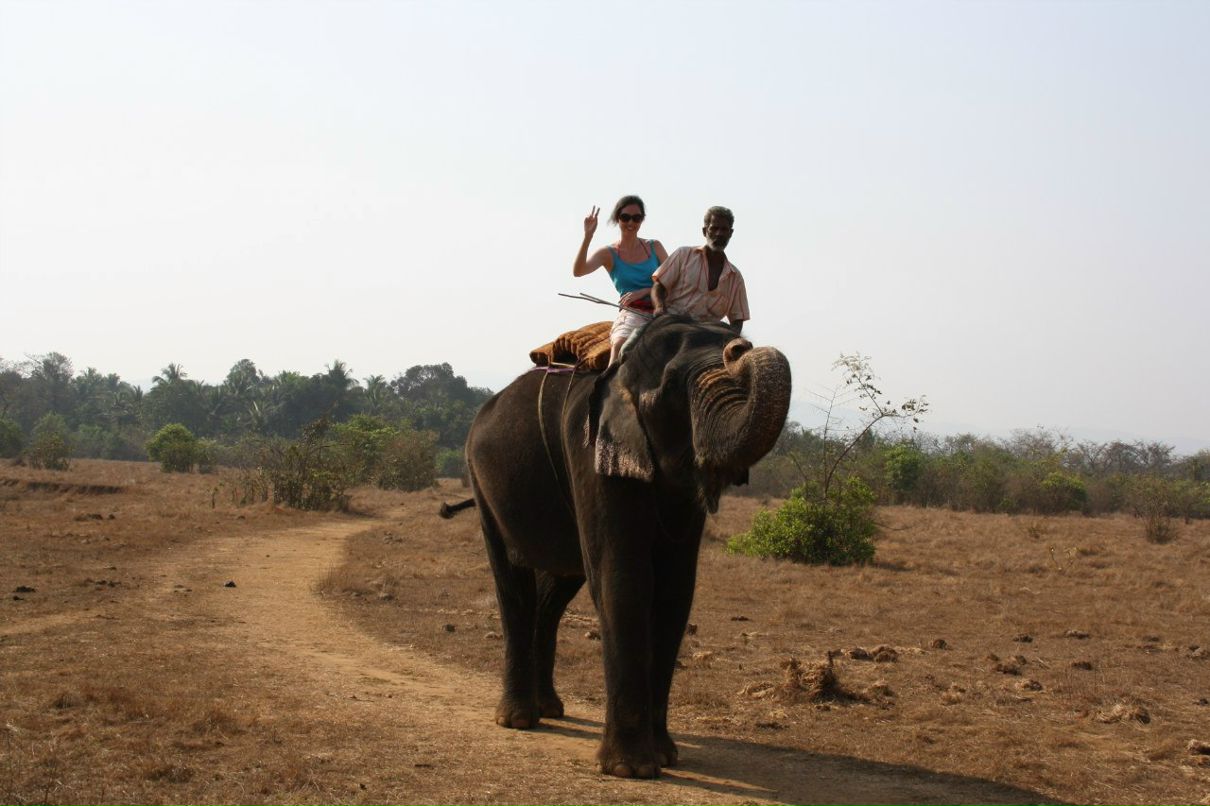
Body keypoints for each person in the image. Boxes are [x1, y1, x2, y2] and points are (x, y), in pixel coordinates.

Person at [573, 195, 668, 365]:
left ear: (642, 220)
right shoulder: (608, 253)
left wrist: (646, 291)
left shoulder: (655, 247)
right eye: (625, 217)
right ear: (617, 218)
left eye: (636, 218)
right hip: (634, 312)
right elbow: (578, 271)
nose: (631, 223)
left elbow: (672, 277)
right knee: (619, 344)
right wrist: (588, 236)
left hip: (664, 308)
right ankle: (607, 388)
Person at [652, 205, 748, 333]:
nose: (719, 234)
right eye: (714, 228)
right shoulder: (684, 255)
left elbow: (737, 320)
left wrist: (730, 339)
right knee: (628, 347)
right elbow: (659, 286)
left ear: (730, 233)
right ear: (705, 231)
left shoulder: (735, 277)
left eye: (724, 229)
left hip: (707, 339)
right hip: (673, 327)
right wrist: (659, 308)